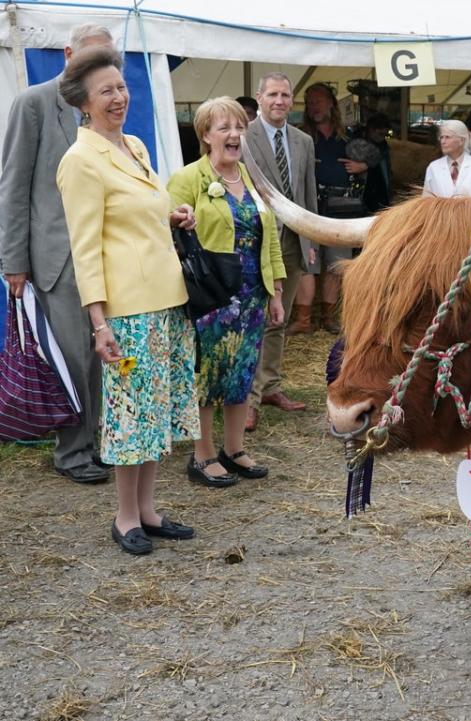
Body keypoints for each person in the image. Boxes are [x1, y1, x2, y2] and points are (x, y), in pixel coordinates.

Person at [55, 46, 199, 555]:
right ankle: (123, 517)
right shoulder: (80, 160)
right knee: (131, 418)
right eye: (106, 91)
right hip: (127, 310)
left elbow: (140, 211)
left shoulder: (134, 145)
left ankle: (148, 510)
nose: (119, 97)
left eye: (121, 86)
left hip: (168, 301)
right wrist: (99, 322)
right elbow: (86, 247)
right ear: (84, 104)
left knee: (156, 414)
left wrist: (172, 214)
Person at [0, 24, 115, 485]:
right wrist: (14, 262)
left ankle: (105, 441)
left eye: (107, 58)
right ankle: (72, 452)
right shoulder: (34, 102)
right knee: (72, 358)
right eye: (91, 58)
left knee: (105, 354)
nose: (100, 68)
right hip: (57, 258)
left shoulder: (108, 110)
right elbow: (13, 187)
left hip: (107, 254)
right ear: (69, 54)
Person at [167, 97, 286, 487]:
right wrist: (180, 220)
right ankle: (201, 457)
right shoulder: (190, 178)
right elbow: (165, 229)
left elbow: (269, 239)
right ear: (205, 135)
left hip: (252, 294)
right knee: (208, 375)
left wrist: (277, 290)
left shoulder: (250, 178)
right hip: (212, 294)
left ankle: (233, 450)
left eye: (239, 127)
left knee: (241, 375)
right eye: (224, 128)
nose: (235, 135)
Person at [242, 72, 318, 431]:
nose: (280, 101)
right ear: (259, 97)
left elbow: (308, 195)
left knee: (279, 320)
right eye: (272, 94)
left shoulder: (303, 141)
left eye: (285, 95)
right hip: (256, 243)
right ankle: (249, 400)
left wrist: (311, 243)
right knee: (256, 320)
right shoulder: (242, 137)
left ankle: (270, 387)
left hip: (292, 242)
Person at [290, 82, 378, 336]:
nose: (313, 107)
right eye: (309, 102)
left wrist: (364, 167)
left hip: (342, 210)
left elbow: (379, 155)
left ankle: (328, 317)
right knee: (306, 264)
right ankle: (304, 320)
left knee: (336, 266)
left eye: (318, 100)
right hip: (307, 208)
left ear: (331, 103)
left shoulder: (350, 138)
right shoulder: (300, 138)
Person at [422, 120, 471, 200]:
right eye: (441, 137)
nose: (443, 142)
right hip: (442, 213)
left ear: (461, 140)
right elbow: (426, 201)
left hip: (470, 213)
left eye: (447, 137)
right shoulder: (433, 167)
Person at [362, 112, 393, 213]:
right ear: (371, 129)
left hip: (381, 197)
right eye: (380, 133)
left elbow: (387, 174)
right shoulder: (358, 146)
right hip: (364, 197)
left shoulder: (384, 148)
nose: (383, 137)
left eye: (385, 134)